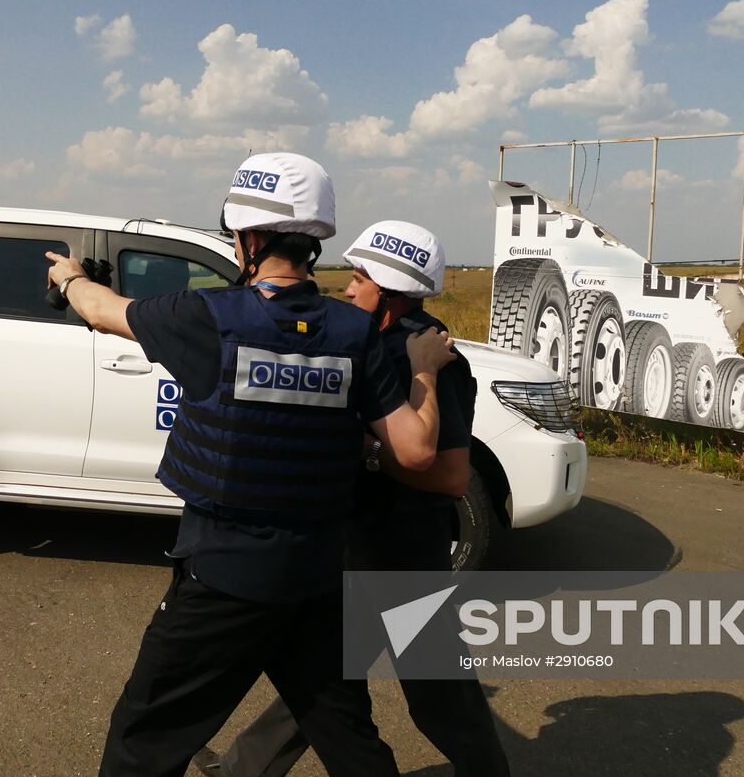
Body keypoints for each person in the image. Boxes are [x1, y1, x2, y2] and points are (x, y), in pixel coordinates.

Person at [45, 154, 458, 777]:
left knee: (144, 737)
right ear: (314, 242)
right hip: (315, 578)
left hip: (222, 577)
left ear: (248, 240)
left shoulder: (207, 317)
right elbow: (417, 451)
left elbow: (103, 310)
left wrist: (72, 277)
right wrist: (424, 368)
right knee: (346, 735)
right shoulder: (356, 332)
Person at [203, 220, 511, 777]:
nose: (347, 287)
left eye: (361, 277)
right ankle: (242, 769)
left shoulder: (434, 360)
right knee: (323, 679)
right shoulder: (372, 343)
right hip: (356, 545)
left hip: (402, 558)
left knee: (439, 698)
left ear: (390, 292)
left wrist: (366, 449)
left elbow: (450, 478)